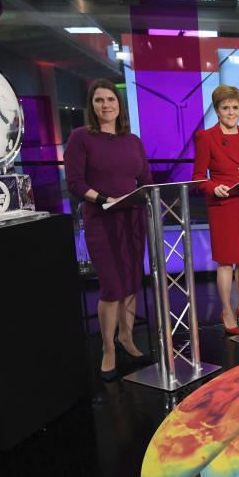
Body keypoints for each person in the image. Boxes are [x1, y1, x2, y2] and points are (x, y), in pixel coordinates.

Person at [66, 79, 154, 381]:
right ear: (92, 106)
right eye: (99, 100)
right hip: (101, 220)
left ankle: (126, 338)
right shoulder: (81, 138)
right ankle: (107, 348)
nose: (106, 105)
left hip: (132, 219)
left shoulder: (133, 140)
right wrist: (105, 199)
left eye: (111, 99)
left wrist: (150, 199)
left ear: (119, 105)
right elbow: (75, 183)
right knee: (112, 286)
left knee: (131, 282)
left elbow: (145, 179)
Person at [192, 85, 239, 335]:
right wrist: (212, 187)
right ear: (217, 110)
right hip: (222, 206)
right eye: (225, 108)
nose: (231, 112)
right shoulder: (206, 137)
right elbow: (198, 177)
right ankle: (227, 309)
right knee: (225, 263)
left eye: (235, 107)